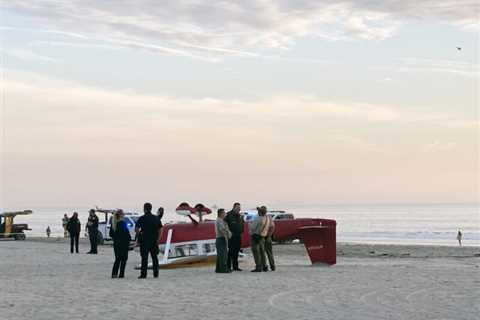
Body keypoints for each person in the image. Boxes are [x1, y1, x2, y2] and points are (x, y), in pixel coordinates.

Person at [135, 202, 161, 279]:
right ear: (151, 208)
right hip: (154, 240)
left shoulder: (142, 218)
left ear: (145, 209)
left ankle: (143, 274)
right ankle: (156, 274)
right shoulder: (156, 218)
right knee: (154, 258)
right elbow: (160, 229)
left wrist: (140, 234)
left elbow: (136, 229)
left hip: (144, 240)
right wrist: (158, 238)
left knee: (144, 258)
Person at [110, 209, 131, 278]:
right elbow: (127, 234)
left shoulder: (113, 224)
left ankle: (114, 273)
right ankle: (121, 274)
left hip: (116, 244)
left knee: (117, 259)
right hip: (123, 244)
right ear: (121, 215)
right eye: (123, 214)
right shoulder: (122, 223)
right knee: (124, 259)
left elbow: (111, 234)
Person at [225, 202, 244, 271]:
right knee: (230, 251)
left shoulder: (240, 215)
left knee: (236, 251)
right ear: (234, 207)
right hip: (231, 236)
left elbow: (242, 224)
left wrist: (242, 231)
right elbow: (225, 224)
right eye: (238, 208)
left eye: (239, 208)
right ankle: (228, 266)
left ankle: (235, 267)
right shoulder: (229, 215)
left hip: (238, 235)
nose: (239, 209)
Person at [249, 206, 267, 272]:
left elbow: (252, 228)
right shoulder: (266, 218)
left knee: (256, 252)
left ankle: (258, 267)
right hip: (262, 236)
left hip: (255, 236)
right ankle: (265, 266)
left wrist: (249, 224)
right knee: (262, 252)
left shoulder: (258, 218)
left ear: (260, 212)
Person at [215, 208, 232, 273]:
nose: (225, 214)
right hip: (221, 238)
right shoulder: (219, 220)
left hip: (219, 239)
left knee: (220, 255)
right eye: (224, 213)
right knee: (223, 255)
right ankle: (223, 269)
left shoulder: (220, 220)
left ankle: (218, 269)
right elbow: (222, 229)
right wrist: (227, 235)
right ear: (221, 214)